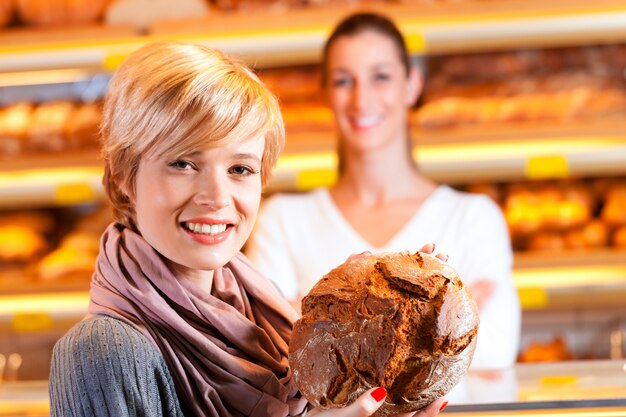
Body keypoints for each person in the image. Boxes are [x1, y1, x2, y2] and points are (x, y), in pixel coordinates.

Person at [48, 41, 447, 417]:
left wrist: (344, 328)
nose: (217, 197)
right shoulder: (103, 352)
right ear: (122, 176)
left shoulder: (267, 325)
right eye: (183, 163)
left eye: (240, 169)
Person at [246, 12, 521, 371]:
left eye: (381, 77)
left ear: (412, 85)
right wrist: (442, 322)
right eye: (345, 80)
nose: (362, 99)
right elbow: (274, 352)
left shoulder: (474, 216)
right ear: (326, 92)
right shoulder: (282, 219)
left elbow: (496, 350)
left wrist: (321, 319)